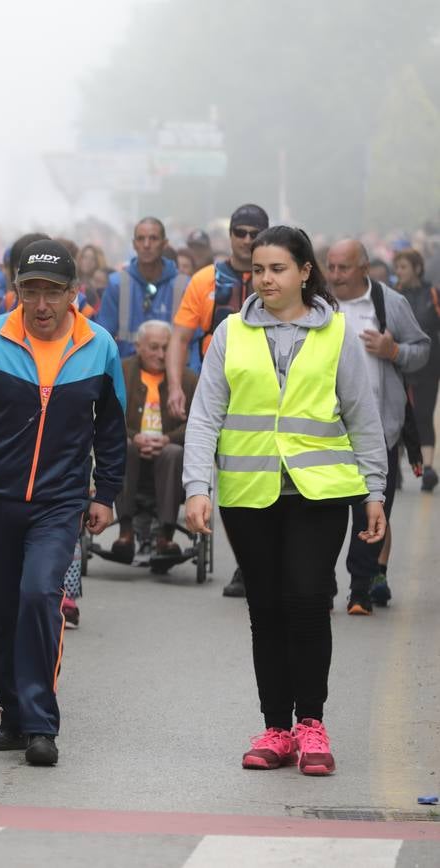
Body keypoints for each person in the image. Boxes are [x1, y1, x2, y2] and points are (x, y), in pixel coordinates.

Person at [182, 225, 387, 777]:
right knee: (265, 609)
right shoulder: (230, 332)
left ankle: (311, 723)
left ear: (304, 272)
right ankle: (276, 727)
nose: (265, 278)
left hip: (319, 493)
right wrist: (197, 487)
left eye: (277, 268)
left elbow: (362, 416)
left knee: (305, 601)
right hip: (250, 494)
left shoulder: (336, 333)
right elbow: (205, 416)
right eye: (257, 269)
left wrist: (375, 491)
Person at [0, 239, 126, 768]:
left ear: (75, 294)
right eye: (30, 291)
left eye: (52, 292)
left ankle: (41, 724)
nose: (41, 304)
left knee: (39, 595)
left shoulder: (100, 347)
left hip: (59, 502)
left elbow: (112, 429)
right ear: (15, 291)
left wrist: (106, 493)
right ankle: (13, 717)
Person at [167, 203, 272, 598]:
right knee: (231, 480)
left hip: (271, 391)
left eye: (254, 233)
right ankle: (247, 564)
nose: (246, 240)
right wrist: (176, 386)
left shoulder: (282, 274)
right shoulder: (205, 280)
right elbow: (180, 336)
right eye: (240, 232)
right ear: (229, 235)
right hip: (221, 390)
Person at [324, 239, 429, 613]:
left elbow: (422, 350)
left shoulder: (389, 304)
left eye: (344, 268)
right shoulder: (320, 304)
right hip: (326, 432)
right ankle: (323, 585)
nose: (336, 276)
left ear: (364, 267)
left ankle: (361, 589)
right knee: (326, 516)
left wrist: (394, 351)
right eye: (331, 267)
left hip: (378, 429)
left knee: (372, 511)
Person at [111, 320, 197, 563]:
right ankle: (125, 532)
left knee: (172, 452)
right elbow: (107, 417)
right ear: (138, 347)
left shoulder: (187, 380)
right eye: (154, 347)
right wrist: (132, 436)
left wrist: (167, 438)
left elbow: (197, 424)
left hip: (169, 464)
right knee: (123, 447)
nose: (161, 355)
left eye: (165, 348)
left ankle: (165, 536)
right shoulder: (121, 373)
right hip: (130, 456)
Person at [97, 217, 188, 358]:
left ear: (165, 244)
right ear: (134, 244)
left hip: (169, 368)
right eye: (140, 239)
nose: (146, 244)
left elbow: (192, 342)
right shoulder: (117, 284)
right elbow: (103, 339)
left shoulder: (183, 286)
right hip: (127, 372)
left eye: (153, 238)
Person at [393, 248, 440, 490]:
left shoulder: (432, 293)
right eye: (397, 267)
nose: (399, 272)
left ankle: (428, 470)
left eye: (403, 267)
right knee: (400, 416)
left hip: (429, 365)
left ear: (417, 269)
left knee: (423, 414)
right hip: (399, 362)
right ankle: (397, 470)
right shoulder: (393, 297)